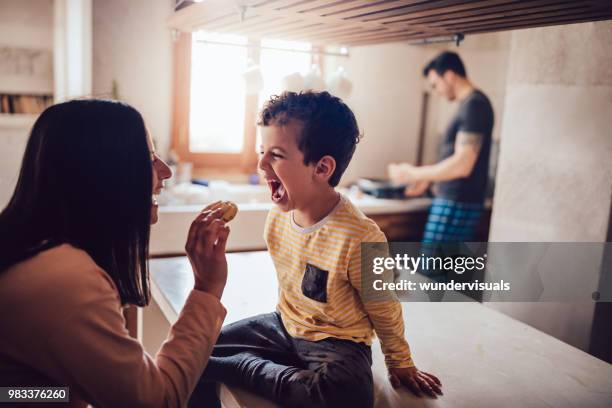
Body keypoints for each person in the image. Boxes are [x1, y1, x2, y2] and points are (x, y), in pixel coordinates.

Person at [190, 91, 442, 408]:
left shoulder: (362, 236)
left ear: (321, 168)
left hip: (338, 343)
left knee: (347, 396)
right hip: (282, 325)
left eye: (276, 155)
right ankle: (244, 367)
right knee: (194, 352)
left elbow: (385, 307)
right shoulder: (277, 218)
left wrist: (400, 361)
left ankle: (242, 367)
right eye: (261, 151)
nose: (261, 164)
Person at [0, 99, 231, 407]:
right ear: (102, 173)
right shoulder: (65, 281)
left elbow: (16, 395)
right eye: (148, 158)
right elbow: (155, 401)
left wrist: (67, 396)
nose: (165, 171)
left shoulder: (35, 249)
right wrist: (207, 289)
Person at [389, 51, 494, 243]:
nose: (436, 91)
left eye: (436, 84)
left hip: (457, 202)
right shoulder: (470, 105)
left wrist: (414, 173)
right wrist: (427, 180)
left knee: (432, 270)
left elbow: (463, 165)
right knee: (439, 270)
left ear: (450, 75)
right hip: (455, 201)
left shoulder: (474, 105)